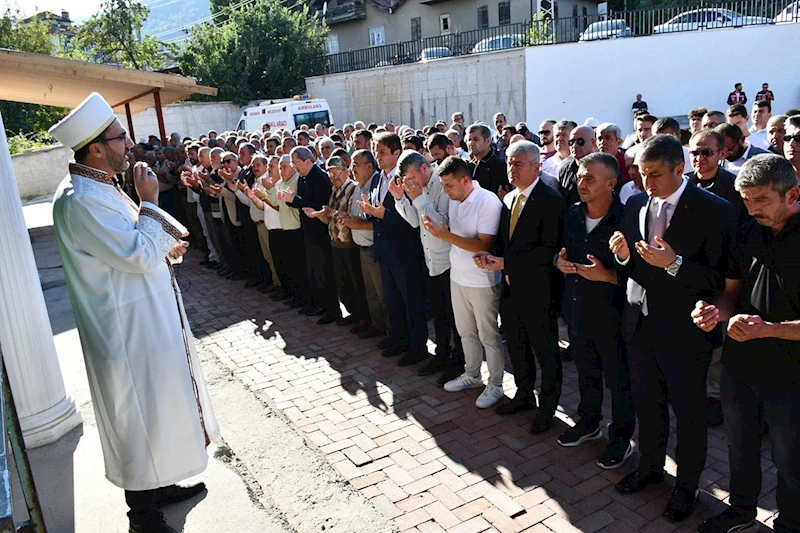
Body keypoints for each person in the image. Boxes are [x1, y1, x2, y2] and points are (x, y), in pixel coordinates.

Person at [49, 93, 217, 533]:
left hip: (143, 321)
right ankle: (142, 516)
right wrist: (150, 200)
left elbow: (137, 246)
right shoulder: (83, 200)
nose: (129, 144)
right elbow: (137, 254)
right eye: (119, 138)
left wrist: (165, 242)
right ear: (96, 148)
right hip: (124, 331)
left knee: (157, 408)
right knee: (138, 415)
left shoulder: (101, 187)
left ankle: (160, 488)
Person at [609, 134, 734, 522]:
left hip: (685, 332)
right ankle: (649, 468)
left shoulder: (714, 210)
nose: (646, 184)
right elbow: (634, 268)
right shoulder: (634, 204)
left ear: (681, 169)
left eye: (655, 175)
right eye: (641, 174)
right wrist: (624, 257)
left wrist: (675, 263)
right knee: (648, 405)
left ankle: (687, 486)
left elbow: (717, 279)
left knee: (689, 414)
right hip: (640, 324)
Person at [692, 154, 800, 533]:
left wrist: (767, 329)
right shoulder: (743, 235)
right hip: (740, 366)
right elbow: (731, 296)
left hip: (791, 373)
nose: (752, 209)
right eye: (746, 199)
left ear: (792, 194)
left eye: (762, 200)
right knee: (740, 447)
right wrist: (714, 312)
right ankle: (741, 511)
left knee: (790, 460)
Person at [476, 141, 565, 433]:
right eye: (509, 163)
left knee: (546, 352)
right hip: (511, 290)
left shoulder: (550, 200)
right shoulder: (509, 198)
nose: (511, 169)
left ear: (536, 167)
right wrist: (491, 256)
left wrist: (505, 263)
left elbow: (546, 250)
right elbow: (506, 241)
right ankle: (524, 395)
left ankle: (548, 408)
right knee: (517, 346)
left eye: (518, 164)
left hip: (539, 291)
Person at [556, 152, 636, 469]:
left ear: (611, 184)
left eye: (590, 178)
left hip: (613, 315)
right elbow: (559, 252)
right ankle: (589, 423)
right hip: (577, 310)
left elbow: (641, 271)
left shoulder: (628, 218)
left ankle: (621, 438)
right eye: (580, 176)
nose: (581, 182)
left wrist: (609, 275)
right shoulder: (573, 213)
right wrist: (558, 263)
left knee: (618, 381)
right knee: (586, 372)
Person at [425, 156, 505, 409]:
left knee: (488, 336)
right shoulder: (455, 199)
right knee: (465, 332)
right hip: (457, 276)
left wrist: (445, 236)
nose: (445, 192)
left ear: (466, 180)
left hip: (482, 280)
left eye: (449, 186)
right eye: (443, 186)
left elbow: (483, 244)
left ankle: (496, 385)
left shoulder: (488, 201)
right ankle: (472, 375)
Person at [392, 151, 465, 383]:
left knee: (455, 319)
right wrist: (400, 199)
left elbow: (442, 223)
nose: (410, 183)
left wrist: (418, 199)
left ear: (424, 168)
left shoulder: (442, 184)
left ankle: (459, 362)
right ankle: (442, 355)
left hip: (449, 262)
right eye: (406, 180)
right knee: (440, 316)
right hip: (431, 260)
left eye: (412, 177)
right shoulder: (417, 189)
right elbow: (415, 221)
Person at [358, 133, 429, 367]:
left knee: (411, 302)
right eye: (376, 152)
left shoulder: (406, 178)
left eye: (382, 152)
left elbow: (412, 218)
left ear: (396, 153)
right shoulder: (378, 177)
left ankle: (417, 347)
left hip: (404, 250)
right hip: (384, 248)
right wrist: (369, 210)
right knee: (392, 300)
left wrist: (382, 214)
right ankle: (399, 339)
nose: (377, 157)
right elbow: (377, 207)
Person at [304, 156, 370, 330]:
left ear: (346, 171)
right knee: (343, 284)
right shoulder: (334, 190)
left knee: (357, 284)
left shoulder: (353, 189)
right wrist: (320, 215)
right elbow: (331, 219)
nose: (334, 176)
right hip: (335, 243)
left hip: (350, 244)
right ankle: (353, 314)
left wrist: (331, 212)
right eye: (330, 173)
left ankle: (364, 318)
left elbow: (350, 216)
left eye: (337, 172)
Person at [280, 146, 340, 324]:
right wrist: (291, 201)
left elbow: (319, 205)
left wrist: (294, 200)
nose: (294, 166)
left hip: (320, 232)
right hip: (308, 231)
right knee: (313, 270)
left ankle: (331, 309)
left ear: (308, 161)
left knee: (324, 271)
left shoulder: (319, 177)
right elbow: (303, 204)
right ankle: (319, 304)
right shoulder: (304, 178)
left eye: (296, 162)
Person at [339, 150, 389, 342]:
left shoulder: (376, 185)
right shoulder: (358, 187)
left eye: (355, 164)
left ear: (369, 166)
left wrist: (358, 223)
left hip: (375, 247)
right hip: (362, 247)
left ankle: (391, 333)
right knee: (371, 293)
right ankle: (378, 327)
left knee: (383, 294)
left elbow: (377, 219)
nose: (352, 169)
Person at [559, 125, 598, 206]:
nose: (574, 146)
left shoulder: (604, 168)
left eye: (580, 141)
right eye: (571, 142)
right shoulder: (565, 169)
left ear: (593, 143)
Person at [466, 123, 509, 195]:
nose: (471, 143)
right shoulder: (468, 166)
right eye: (469, 140)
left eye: (475, 139)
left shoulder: (499, 166)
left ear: (488, 141)